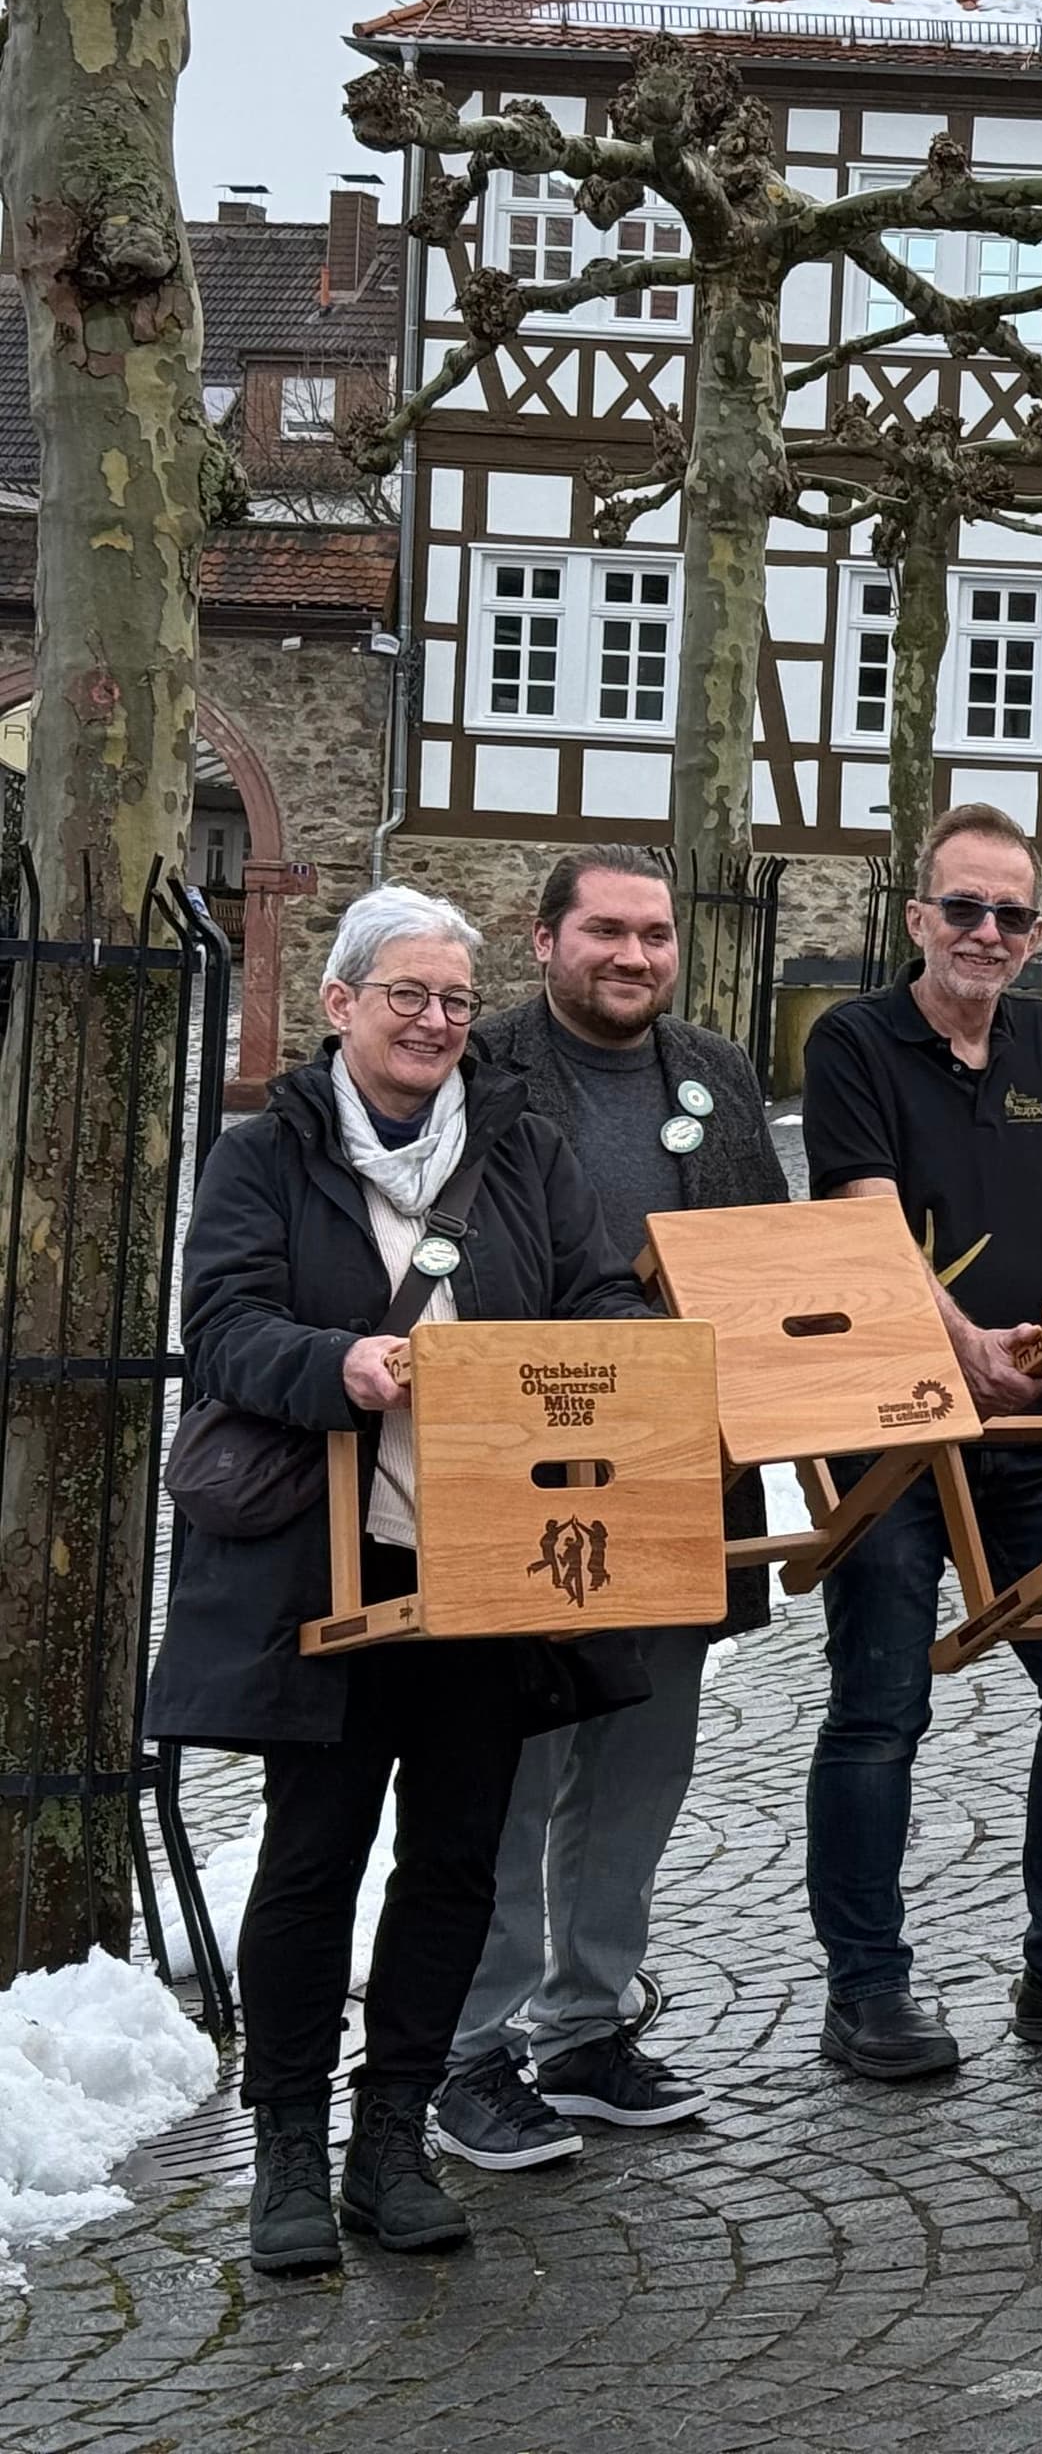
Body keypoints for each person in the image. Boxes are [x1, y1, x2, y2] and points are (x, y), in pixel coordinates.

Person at [150, 886, 654, 2275]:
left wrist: (616, 1359)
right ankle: (287, 2153)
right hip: (322, 1566)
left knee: (454, 1859)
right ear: (341, 1005)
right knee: (312, 1860)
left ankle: (390, 2141)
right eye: (407, 997)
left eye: (453, 1001)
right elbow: (223, 1327)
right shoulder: (265, 1155)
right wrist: (343, 1364)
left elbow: (598, 1296)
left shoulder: (521, 1146)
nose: (435, 1023)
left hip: (487, 1555)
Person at [798, 803, 1042, 2081]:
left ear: (1034, 933)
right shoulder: (852, 1040)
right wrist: (962, 1341)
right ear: (919, 918)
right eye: (964, 908)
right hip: (891, 1418)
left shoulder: (1039, 1033)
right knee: (880, 1706)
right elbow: (865, 1221)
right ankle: (867, 1990)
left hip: (1027, 1416)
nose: (987, 932)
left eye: (1011, 915)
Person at [430, 850, 782, 2179]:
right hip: (524, 1463)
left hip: (687, 1467)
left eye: (655, 934)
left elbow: (758, 1257)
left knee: (640, 1763)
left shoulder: (719, 1072)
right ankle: (470, 2047)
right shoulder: (482, 1066)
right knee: (510, 1766)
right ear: (543, 940)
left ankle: (585, 2028)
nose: (633, 956)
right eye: (605, 932)